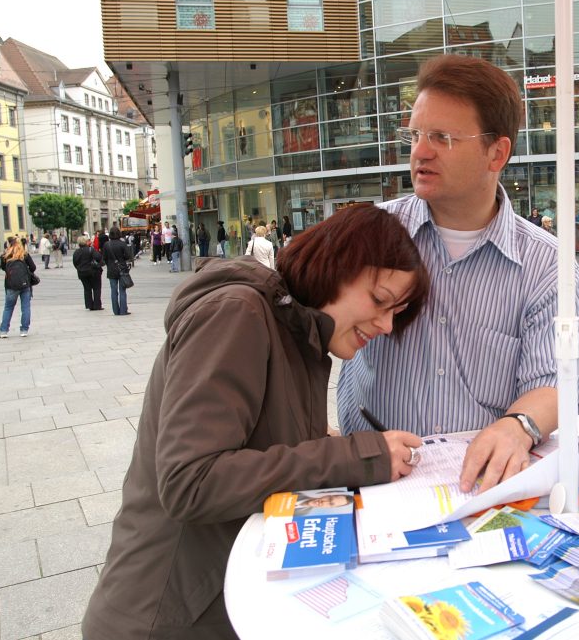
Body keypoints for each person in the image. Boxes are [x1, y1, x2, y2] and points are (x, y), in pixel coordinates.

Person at [81, 205, 431, 639]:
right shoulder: (238, 312)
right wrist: (354, 456)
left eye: (396, 311)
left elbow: (257, 441)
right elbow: (191, 480)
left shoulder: (298, 332)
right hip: (166, 618)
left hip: (224, 604)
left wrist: (326, 439)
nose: (384, 324)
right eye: (380, 301)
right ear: (334, 266)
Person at [337, 54, 579, 495]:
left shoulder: (547, 267)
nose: (420, 151)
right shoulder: (370, 236)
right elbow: (302, 327)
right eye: (415, 134)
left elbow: (555, 383)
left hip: (479, 483)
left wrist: (518, 427)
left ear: (497, 152)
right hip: (375, 474)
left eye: (442, 137)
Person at [0, 238, 36, 337]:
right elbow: (33, 267)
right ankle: (24, 330)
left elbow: (3, 268)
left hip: (11, 285)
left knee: (8, 308)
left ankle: (3, 331)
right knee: (25, 307)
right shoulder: (25, 254)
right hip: (25, 284)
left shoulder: (5, 256)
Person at [103, 226, 134, 316]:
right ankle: (123, 310)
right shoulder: (122, 244)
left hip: (111, 270)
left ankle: (115, 310)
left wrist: (109, 263)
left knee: (113, 290)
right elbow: (128, 256)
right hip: (122, 269)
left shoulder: (106, 244)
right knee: (122, 290)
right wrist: (121, 259)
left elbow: (104, 257)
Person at [73, 236, 104, 311]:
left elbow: (75, 263)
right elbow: (99, 257)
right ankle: (97, 305)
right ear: (86, 242)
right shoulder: (91, 249)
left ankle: (89, 305)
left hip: (82, 273)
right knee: (96, 288)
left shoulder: (76, 252)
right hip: (93, 272)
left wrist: (80, 268)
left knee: (87, 289)